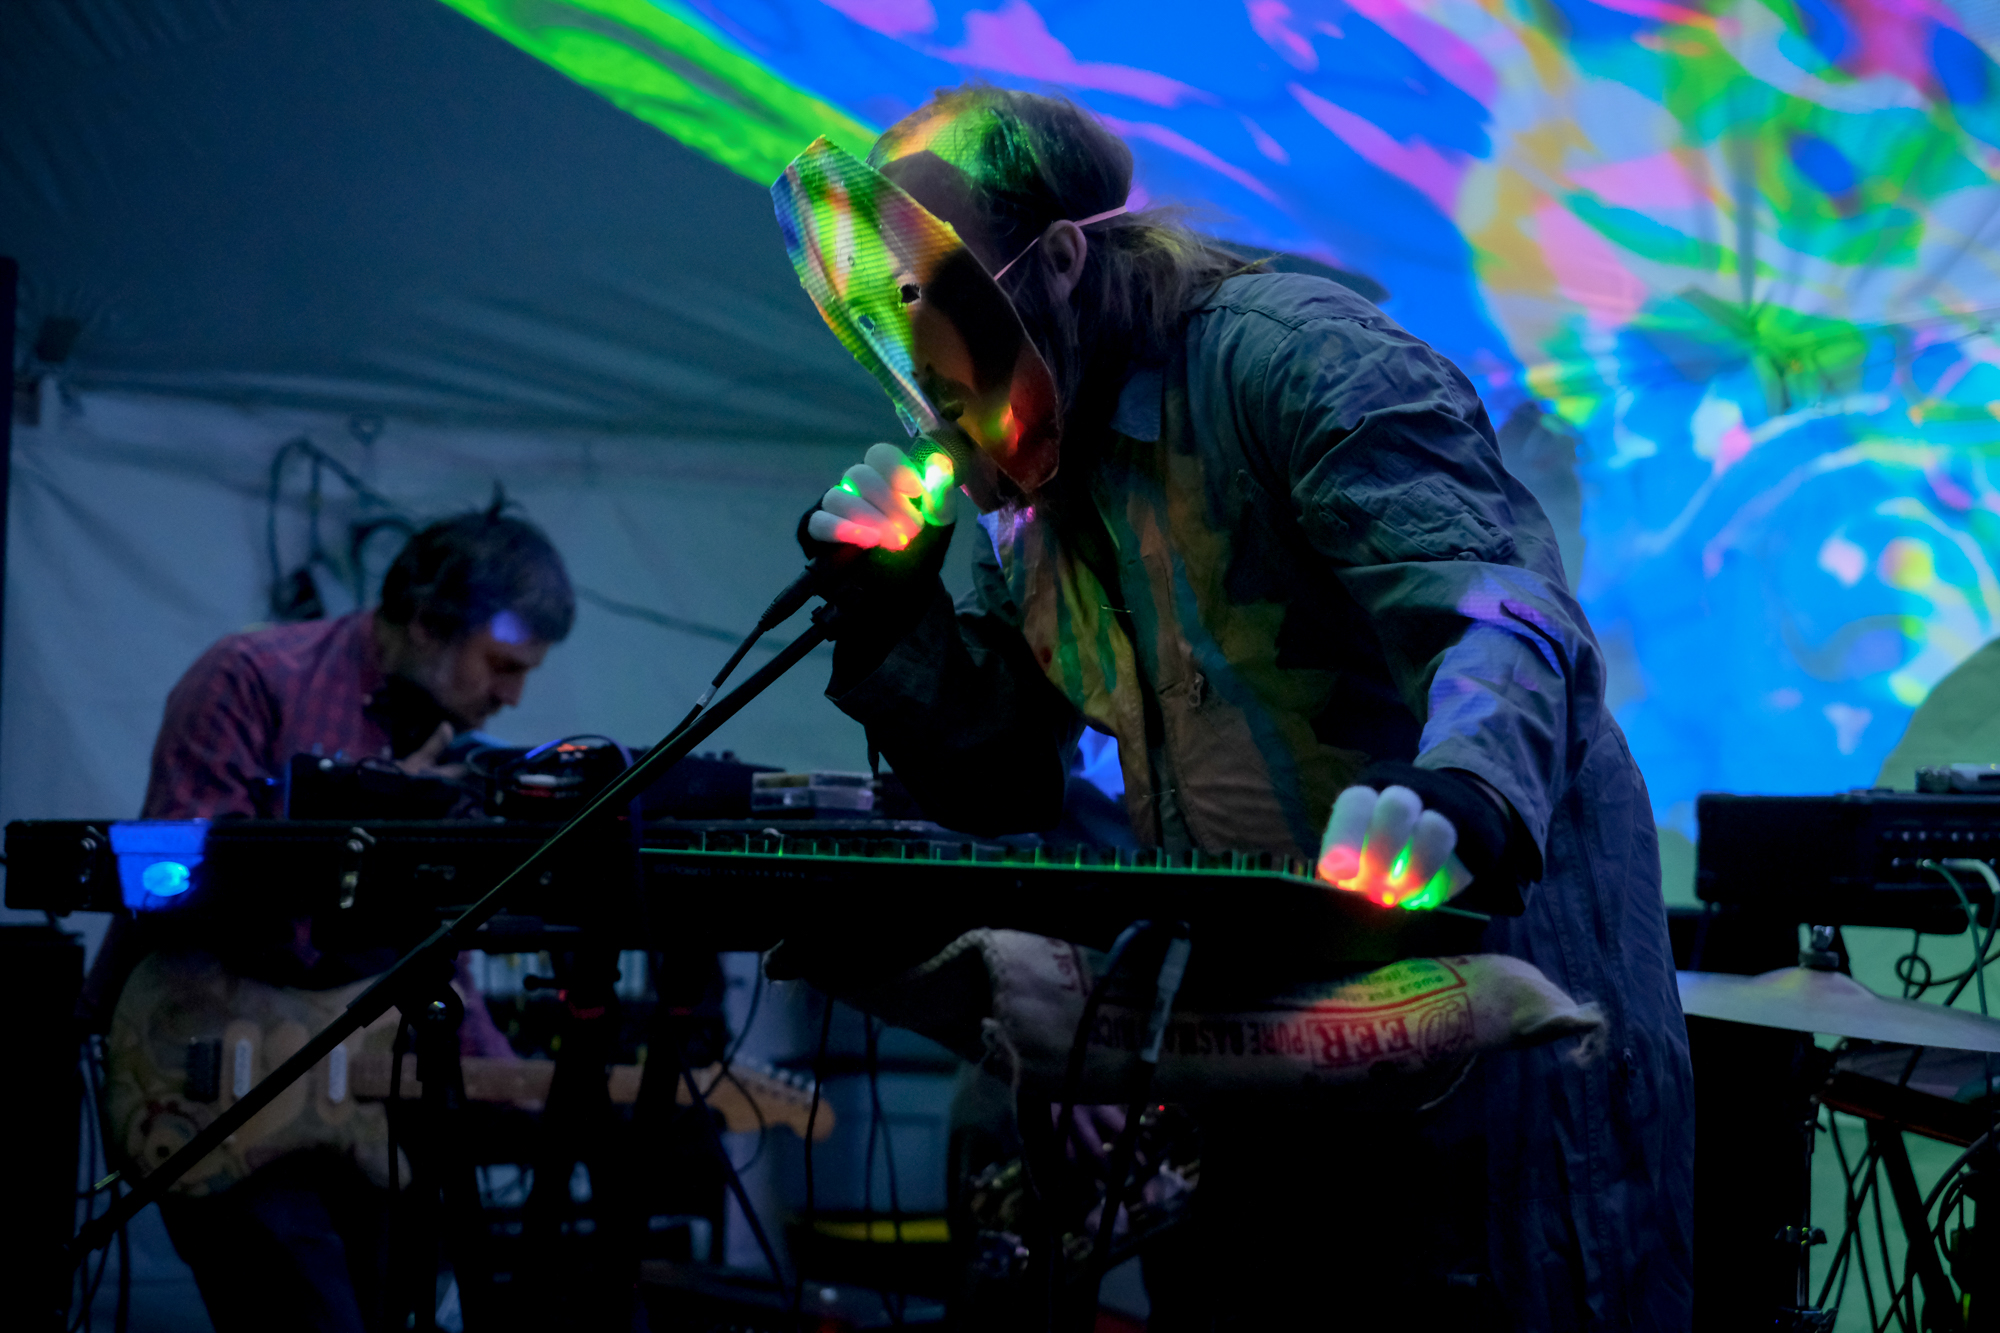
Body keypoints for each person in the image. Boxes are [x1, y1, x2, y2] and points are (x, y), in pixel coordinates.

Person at [788, 88, 1693, 1329]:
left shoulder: (1295, 359)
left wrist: (1465, 789)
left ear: (1058, 261)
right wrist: (896, 614)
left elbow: (1497, 611)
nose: (915, 352)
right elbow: (1002, 772)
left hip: (1489, 1026)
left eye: (925, 294)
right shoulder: (1030, 476)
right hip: (1266, 1038)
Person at [106, 503, 575, 1333]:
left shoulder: (451, 744)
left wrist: (514, 1086)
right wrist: (364, 821)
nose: (512, 695)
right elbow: (167, 877)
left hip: (363, 1107)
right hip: (212, 1063)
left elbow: (436, 952)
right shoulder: (251, 674)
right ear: (426, 623)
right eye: (501, 664)